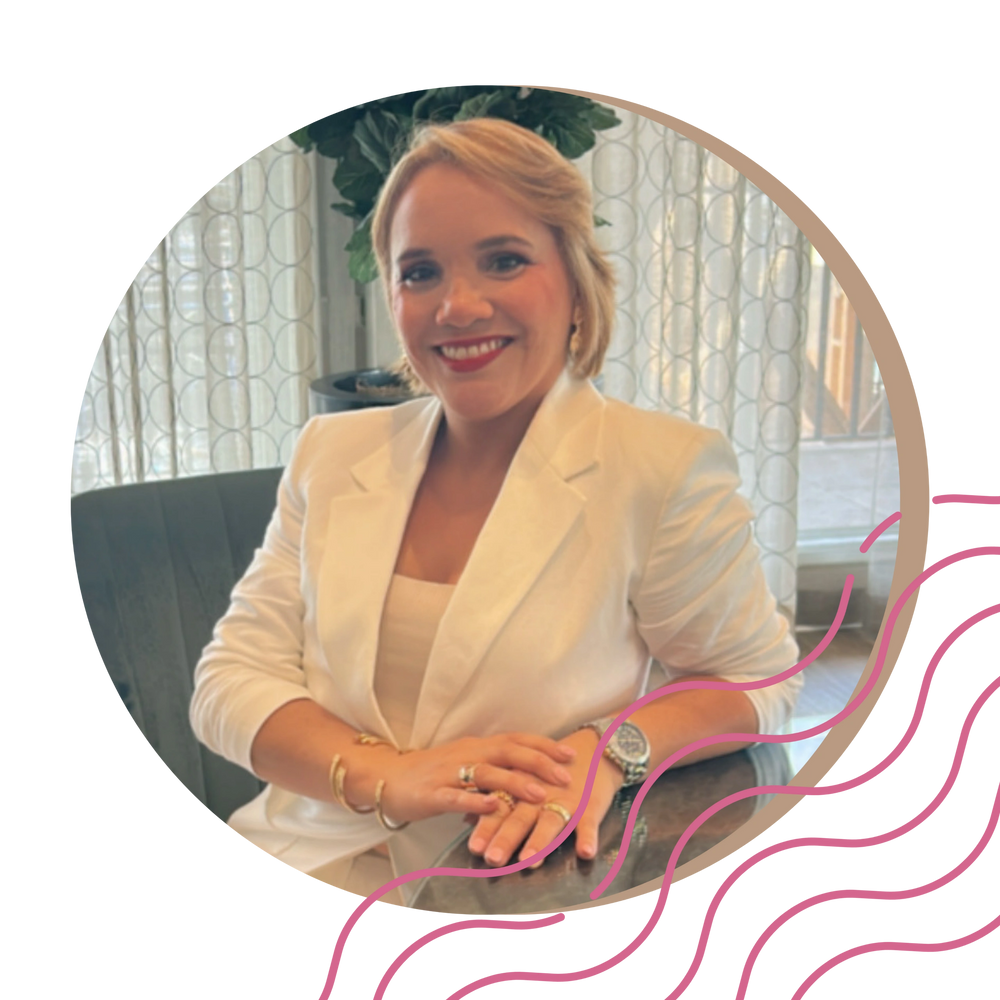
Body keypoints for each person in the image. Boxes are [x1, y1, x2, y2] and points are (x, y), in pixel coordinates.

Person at [189, 116, 803, 912]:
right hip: (297, 848)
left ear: (578, 284)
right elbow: (228, 682)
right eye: (420, 273)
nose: (459, 305)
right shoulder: (331, 454)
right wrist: (384, 776)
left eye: (504, 260)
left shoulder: (661, 468)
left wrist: (610, 751)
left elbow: (757, 682)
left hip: (510, 886)